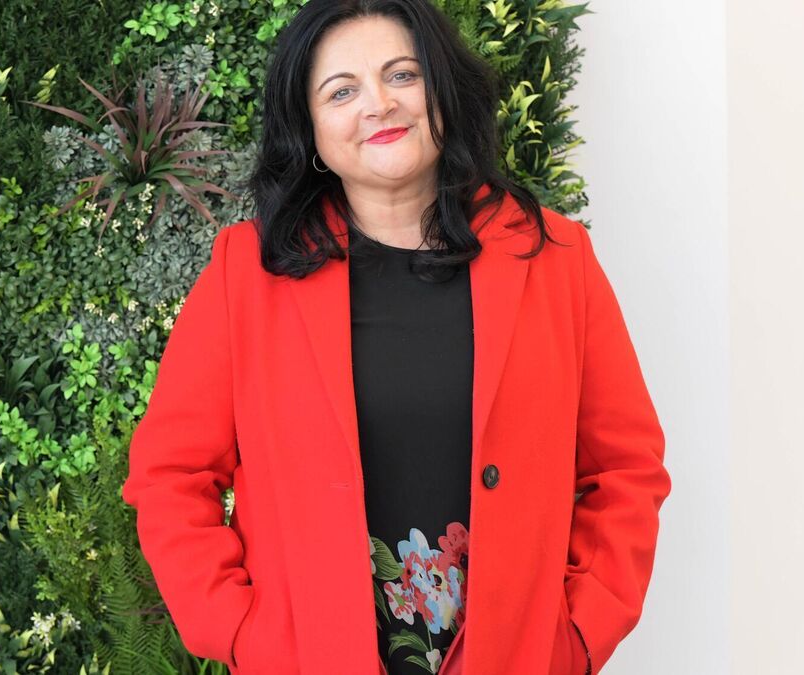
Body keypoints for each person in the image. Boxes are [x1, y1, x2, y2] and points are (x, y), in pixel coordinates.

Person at [120, 0, 671, 673]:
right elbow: (171, 475)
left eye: (402, 75)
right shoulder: (249, 273)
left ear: (443, 90)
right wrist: (239, 633)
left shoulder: (555, 258)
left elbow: (626, 468)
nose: (378, 104)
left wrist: (579, 634)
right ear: (310, 128)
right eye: (341, 91)